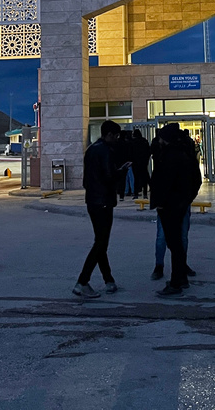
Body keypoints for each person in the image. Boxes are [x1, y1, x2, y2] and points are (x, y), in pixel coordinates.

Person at [74, 120, 128, 298]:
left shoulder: (91, 149)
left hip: (93, 200)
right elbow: (109, 176)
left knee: (101, 242)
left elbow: (87, 179)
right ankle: (82, 281)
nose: (117, 139)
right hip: (103, 201)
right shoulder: (105, 151)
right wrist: (121, 172)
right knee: (100, 243)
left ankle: (108, 280)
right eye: (116, 136)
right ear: (109, 134)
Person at [149, 124, 202, 296]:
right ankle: (181, 278)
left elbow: (163, 183)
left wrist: (162, 202)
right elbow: (196, 180)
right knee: (177, 242)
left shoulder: (169, 156)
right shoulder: (185, 154)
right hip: (179, 205)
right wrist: (186, 200)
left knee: (174, 243)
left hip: (169, 207)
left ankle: (175, 282)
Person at [129, 129, 151, 199]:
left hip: (135, 163)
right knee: (144, 179)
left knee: (136, 179)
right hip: (143, 163)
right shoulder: (144, 141)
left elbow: (131, 153)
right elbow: (148, 152)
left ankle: (136, 193)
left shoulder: (132, 142)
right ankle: (145, 194)